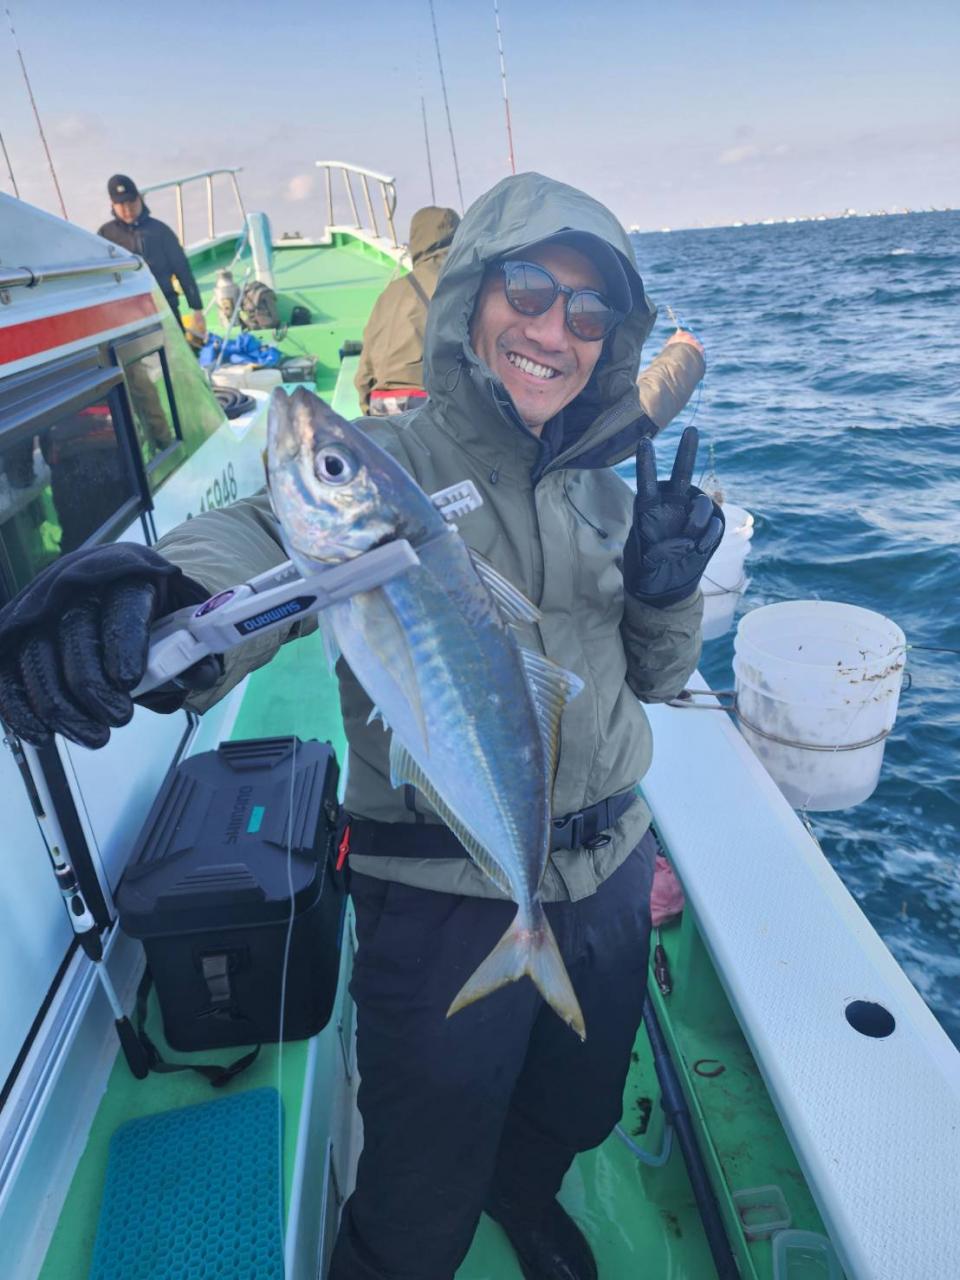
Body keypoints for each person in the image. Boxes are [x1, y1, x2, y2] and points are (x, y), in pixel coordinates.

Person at [0, 173, 722, 1279]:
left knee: (575, 1103)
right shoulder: (400, 465)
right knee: (415, 1194)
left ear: (612, 340)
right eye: (530, 290)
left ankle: (523, 1193)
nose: (553, 330)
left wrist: (671, 594)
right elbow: (256, 543)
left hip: (610, 872)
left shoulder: (609, 490)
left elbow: (658, 676)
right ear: (472, 296)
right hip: (439, 894)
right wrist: (163, 600)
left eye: (588, 312)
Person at [354, 205, 460, 415]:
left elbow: (365, 368)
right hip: (427, 402)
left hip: (381, 402)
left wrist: (369, 408)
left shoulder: (391, 291)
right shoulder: (458, 282)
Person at [98, 174, 207, 338]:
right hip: (127, 314)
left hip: (165, 307)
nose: (128, 209)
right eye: (121, 204)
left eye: (131, 202)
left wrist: (197, 309)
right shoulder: (105, 236)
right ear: (112, 205)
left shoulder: (161, 231)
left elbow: (182, 269)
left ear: (139, 199)